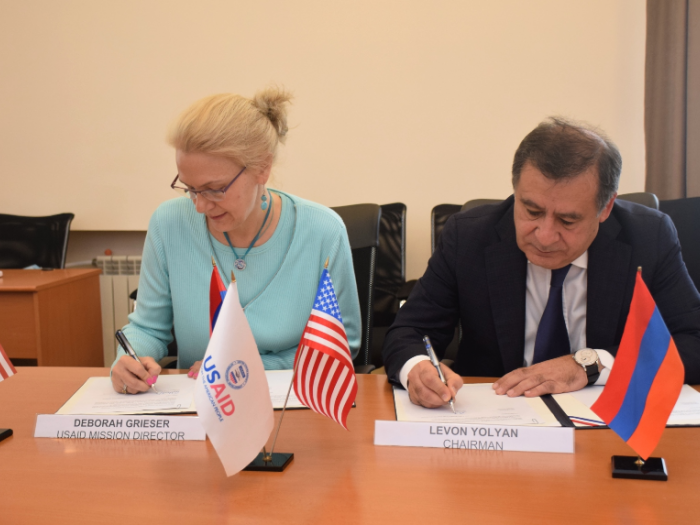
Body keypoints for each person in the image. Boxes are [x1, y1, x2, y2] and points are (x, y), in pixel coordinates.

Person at [383, 117, 700, 409]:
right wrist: (417, 368)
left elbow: (693, 340)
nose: (545, 236)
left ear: (605, 208)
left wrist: (592, 364)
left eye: (568, 220)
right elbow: (409, 331)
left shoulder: (648, 237)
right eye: (532, 211)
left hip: (605, 423)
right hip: (495, 420)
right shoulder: (468, 237)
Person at [111, 88, 361, 394]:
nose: (200, 206)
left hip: (292, 400)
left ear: (262, 168)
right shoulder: (168, 224)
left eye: (215, 189)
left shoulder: (323, 231)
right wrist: (130, 358)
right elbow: (148, 328)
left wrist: (249, 367)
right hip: (201, 400)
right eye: (190, 189)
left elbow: (342, 346)